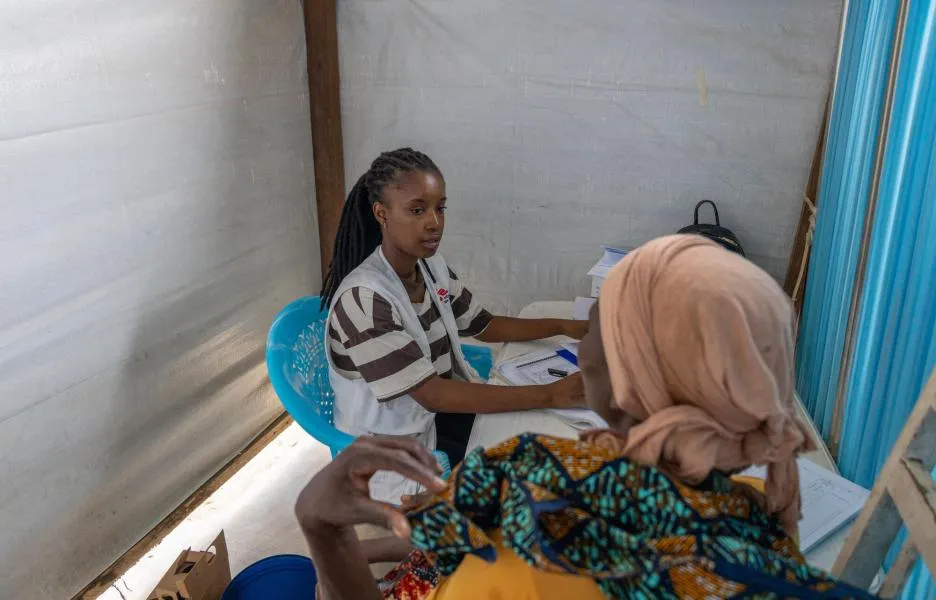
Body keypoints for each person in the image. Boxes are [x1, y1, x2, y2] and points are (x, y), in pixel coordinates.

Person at [297, 235, 878, 599]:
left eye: (606, 316)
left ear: (621, 385)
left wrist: (324, 533)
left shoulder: (522, 477)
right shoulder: (766, 532)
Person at [320, 147, 585, 502]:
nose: (434, 222)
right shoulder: (365, 300)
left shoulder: (429, 267)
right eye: (417, 210)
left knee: (537, 446)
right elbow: (433, 394)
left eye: (440, 207)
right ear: (381, 214)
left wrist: (565, 326)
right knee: (522, 488)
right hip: (392, 448)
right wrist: (552, 393)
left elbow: (484, 325)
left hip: (430, 421)